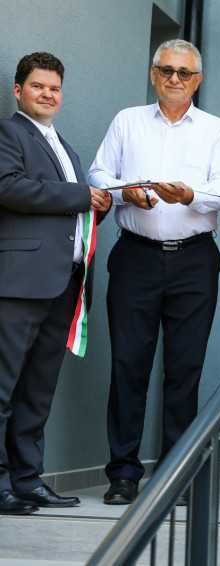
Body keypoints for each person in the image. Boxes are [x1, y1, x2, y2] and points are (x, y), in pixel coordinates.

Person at [88, 39, 220, 505]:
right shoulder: (127, 121)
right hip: (136, 257)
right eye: (166, 70)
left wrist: (189, 196)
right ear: (154, 74)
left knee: (185, 369)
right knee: (128, 365)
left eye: (184, 72)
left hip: (194, 260)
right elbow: (97, 174)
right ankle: (123, 473)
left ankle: (176, 473)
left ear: (197, 80)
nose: (175, 78)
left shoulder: (216, 129)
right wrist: (125, 191)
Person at [0, 52, 111, 514]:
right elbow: (8, 186)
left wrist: (99, 204)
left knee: (38, 389)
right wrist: (81, 194)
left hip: (65, 283)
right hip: (20, 283)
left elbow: (69, 209)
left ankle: (27, 480)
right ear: (18, 90)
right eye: (38, 86)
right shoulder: (8, 133)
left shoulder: (64, 145)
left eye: (55, 88)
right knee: (3, 386)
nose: (47, 94)